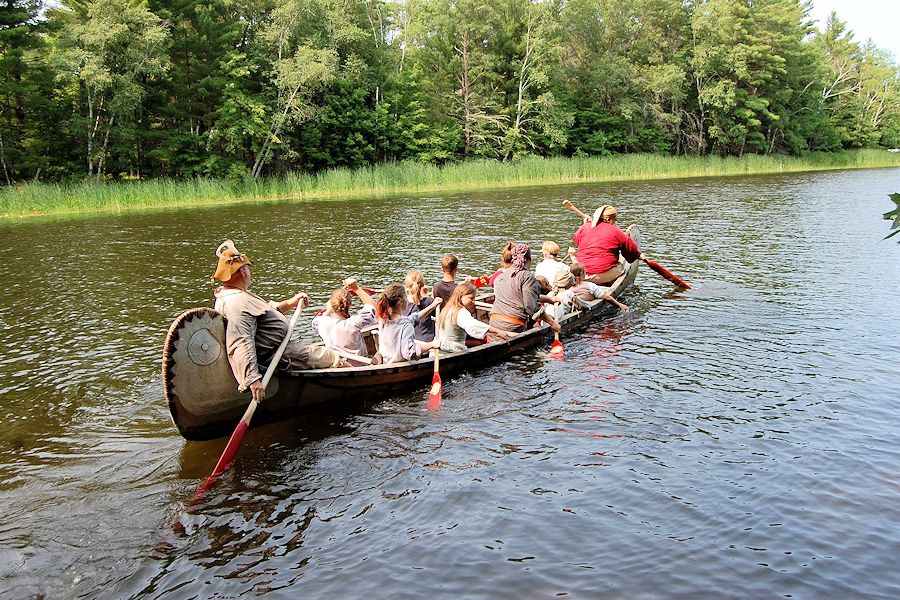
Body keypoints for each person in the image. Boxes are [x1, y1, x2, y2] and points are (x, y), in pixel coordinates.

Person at [211, 240, 341, 403]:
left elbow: (267, 313)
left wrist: (291, 303)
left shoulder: (234, 294)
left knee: (323, 352)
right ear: (242, 272)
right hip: (278, 357)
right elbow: (241, 341)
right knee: (332, 357)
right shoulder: (236, 302)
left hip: (280, 349)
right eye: (247, 268)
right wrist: (252, 379)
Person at [488, 242, 561, 340]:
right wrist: (553, 323)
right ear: (529, 260)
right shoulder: (527, 277)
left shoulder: (500, 277)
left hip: (493, 324)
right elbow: (532, 307)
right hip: (513, 327)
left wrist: (549, 299)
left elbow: (521, 297)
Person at [571, 204, 645, 285]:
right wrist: (640, 256)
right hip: (598, 276)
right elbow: (631, 252)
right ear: (609, 219)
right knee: (621, 267)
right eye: (615, 219)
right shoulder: (616, 231)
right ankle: (607, 282)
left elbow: (577, 241)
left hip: (580, 273)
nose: (615, 222)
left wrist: (584, 224)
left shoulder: (584, 227)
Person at [311, 278, 377, 365]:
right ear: (350, 304)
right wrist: (356, 288)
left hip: (337, 365)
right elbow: (372, 307)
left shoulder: (321, 322)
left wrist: (328, 310)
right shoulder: (353, 323)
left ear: (331, 305)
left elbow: (315, 322)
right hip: (359, 365)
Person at [374, 283, 441, 364]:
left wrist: (432, 306)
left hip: (385, 363)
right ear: (400, 302)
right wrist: (431, 345)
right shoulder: (406, 326)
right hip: (397, 367)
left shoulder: (383, 319)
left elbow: (411, 319)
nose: (408, 299)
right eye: (406, 297)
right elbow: (409, 354)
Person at [436, 282, 510, 352]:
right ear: (461, 296)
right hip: (451, 350)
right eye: (471, 298)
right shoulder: (460, 312)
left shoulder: (448, 308)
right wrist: (497, 331)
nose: (473, 301)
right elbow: (473, 325)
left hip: (440, 348)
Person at [556, 262, 629, 315]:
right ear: (578, 277)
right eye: (584, 272)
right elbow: (607, 297)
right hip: (583, 307)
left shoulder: (567, 288)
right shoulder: (589, 286)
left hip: (570, 308)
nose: (586, 273)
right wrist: (619, 305)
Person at [402, 269, 436, 342]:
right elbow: (437, 316)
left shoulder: (401, 303)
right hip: (426, 341)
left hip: (408, 341)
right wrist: (427, 295)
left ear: (407, 285)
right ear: (423, 285)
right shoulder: (429, 301)